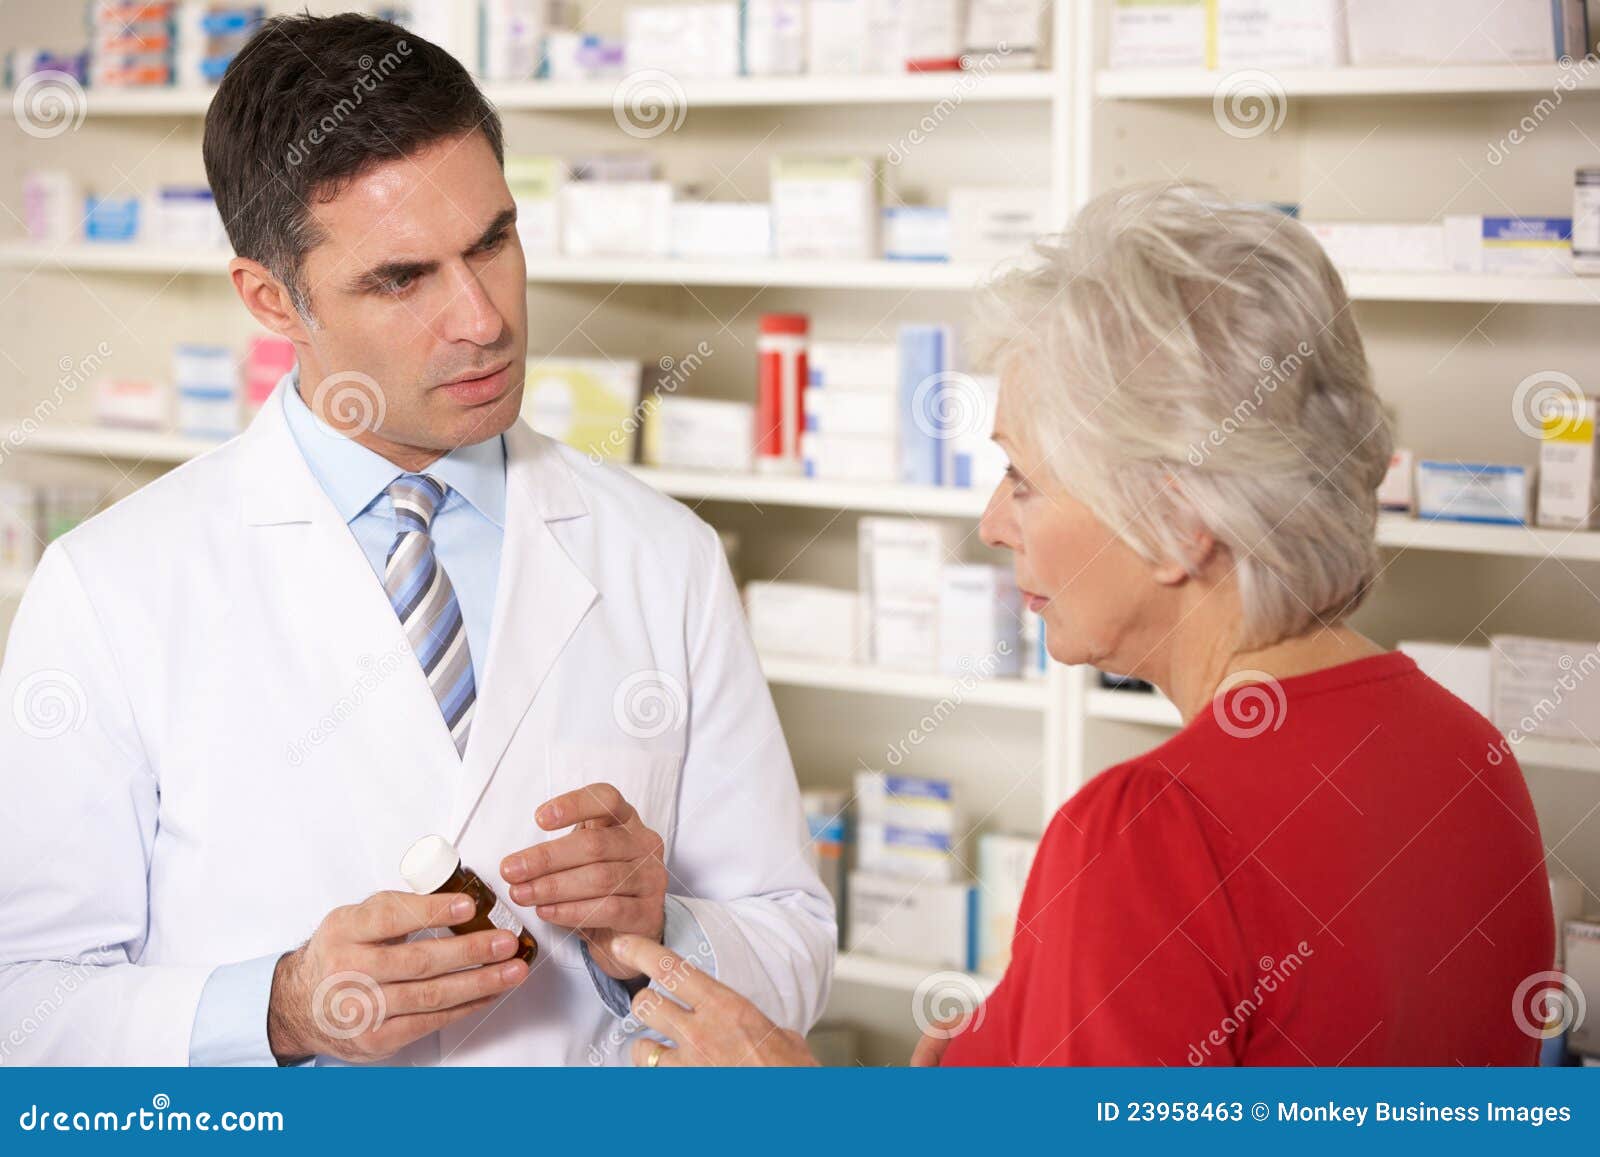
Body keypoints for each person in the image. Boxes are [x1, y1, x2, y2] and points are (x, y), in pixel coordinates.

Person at [0, 14, 833, 1066]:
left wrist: (661, 927)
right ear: (272, 298)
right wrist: (279, 1007)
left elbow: (793, 940)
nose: (482, 317)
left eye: (492, 241)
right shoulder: (111, 587)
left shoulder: (660, 556)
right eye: (402, 279)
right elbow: (23, 1005)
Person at [601, 183, 1556, 1067]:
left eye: (1024, 480)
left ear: (1178, 523)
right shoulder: (1467, 751)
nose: (992, 522)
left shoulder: (1151, 835)